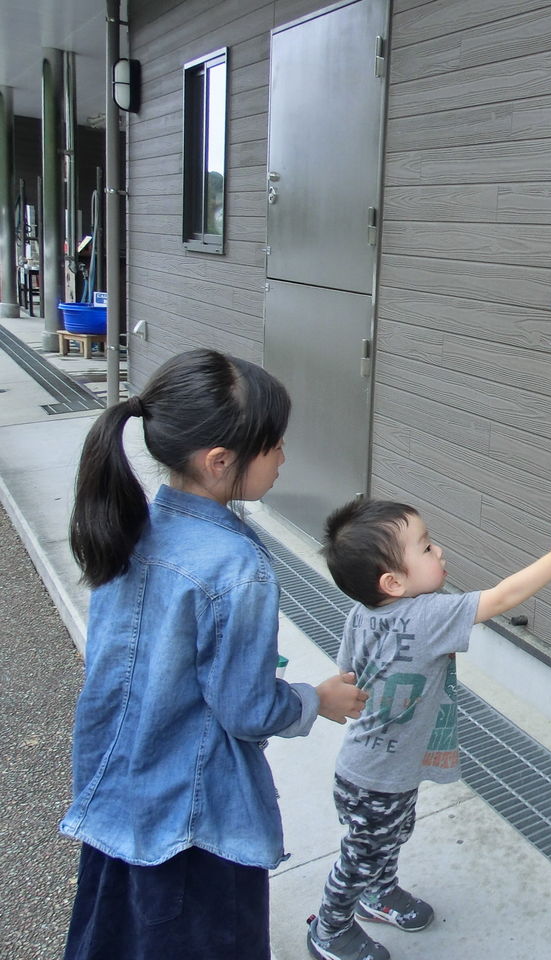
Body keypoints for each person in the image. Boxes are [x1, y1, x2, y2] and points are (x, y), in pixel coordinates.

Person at [60, 349, 369, 960]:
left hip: (120, 798)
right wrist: (318, 700)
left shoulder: (129, 525)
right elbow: (247, 709)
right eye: (274, 444)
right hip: (195, 824)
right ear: (220, 461)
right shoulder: (238, 567)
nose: (284, 456)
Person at [307, 498, 551, 960]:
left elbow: (348, 671)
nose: (439, 552)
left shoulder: (362, 613)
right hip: (376, 775)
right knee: (360, 856)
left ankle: (378, 894)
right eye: (426, 547)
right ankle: (329, 929)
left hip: (370, 765)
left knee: (388, 837)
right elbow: (500, 598)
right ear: (392, 581)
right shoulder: (429, 615)